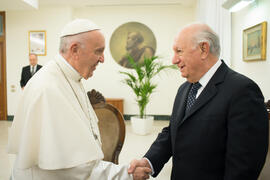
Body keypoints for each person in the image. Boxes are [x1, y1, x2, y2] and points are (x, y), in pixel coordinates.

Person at [8, 19, 151, 180]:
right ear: (74, 49)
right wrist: (126, 174)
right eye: (98, 51)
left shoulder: (69, 77)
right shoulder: (48, 89)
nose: (103, 59)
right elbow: (73, 169)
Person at [128, 23, 269, 180]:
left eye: (179, 51)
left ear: (203, 49)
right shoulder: (185, 88)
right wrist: (149, 162)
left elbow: (244, 166)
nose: (174, 60)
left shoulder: (242, 91)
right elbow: (173, 132)